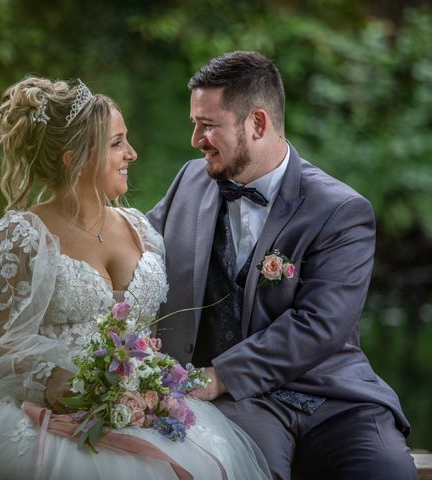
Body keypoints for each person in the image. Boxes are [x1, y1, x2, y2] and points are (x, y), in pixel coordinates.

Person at [0, 77, 271, 479]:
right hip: (40, 421)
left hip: (144, 412)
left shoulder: (142, 230)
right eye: (116, 143)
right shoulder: (19, 236)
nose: (131, 153)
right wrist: (49, 377)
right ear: (72, 156)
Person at [148, 51, 417, 480]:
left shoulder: (341, 209)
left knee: (387, 472)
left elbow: (320, 323)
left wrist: (220, 375)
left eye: (209, 125)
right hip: (242, 405)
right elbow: (138, 253)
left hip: (334, 397)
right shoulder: (189, 181)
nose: (196, 139)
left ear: (257, 123)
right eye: (195, 123)